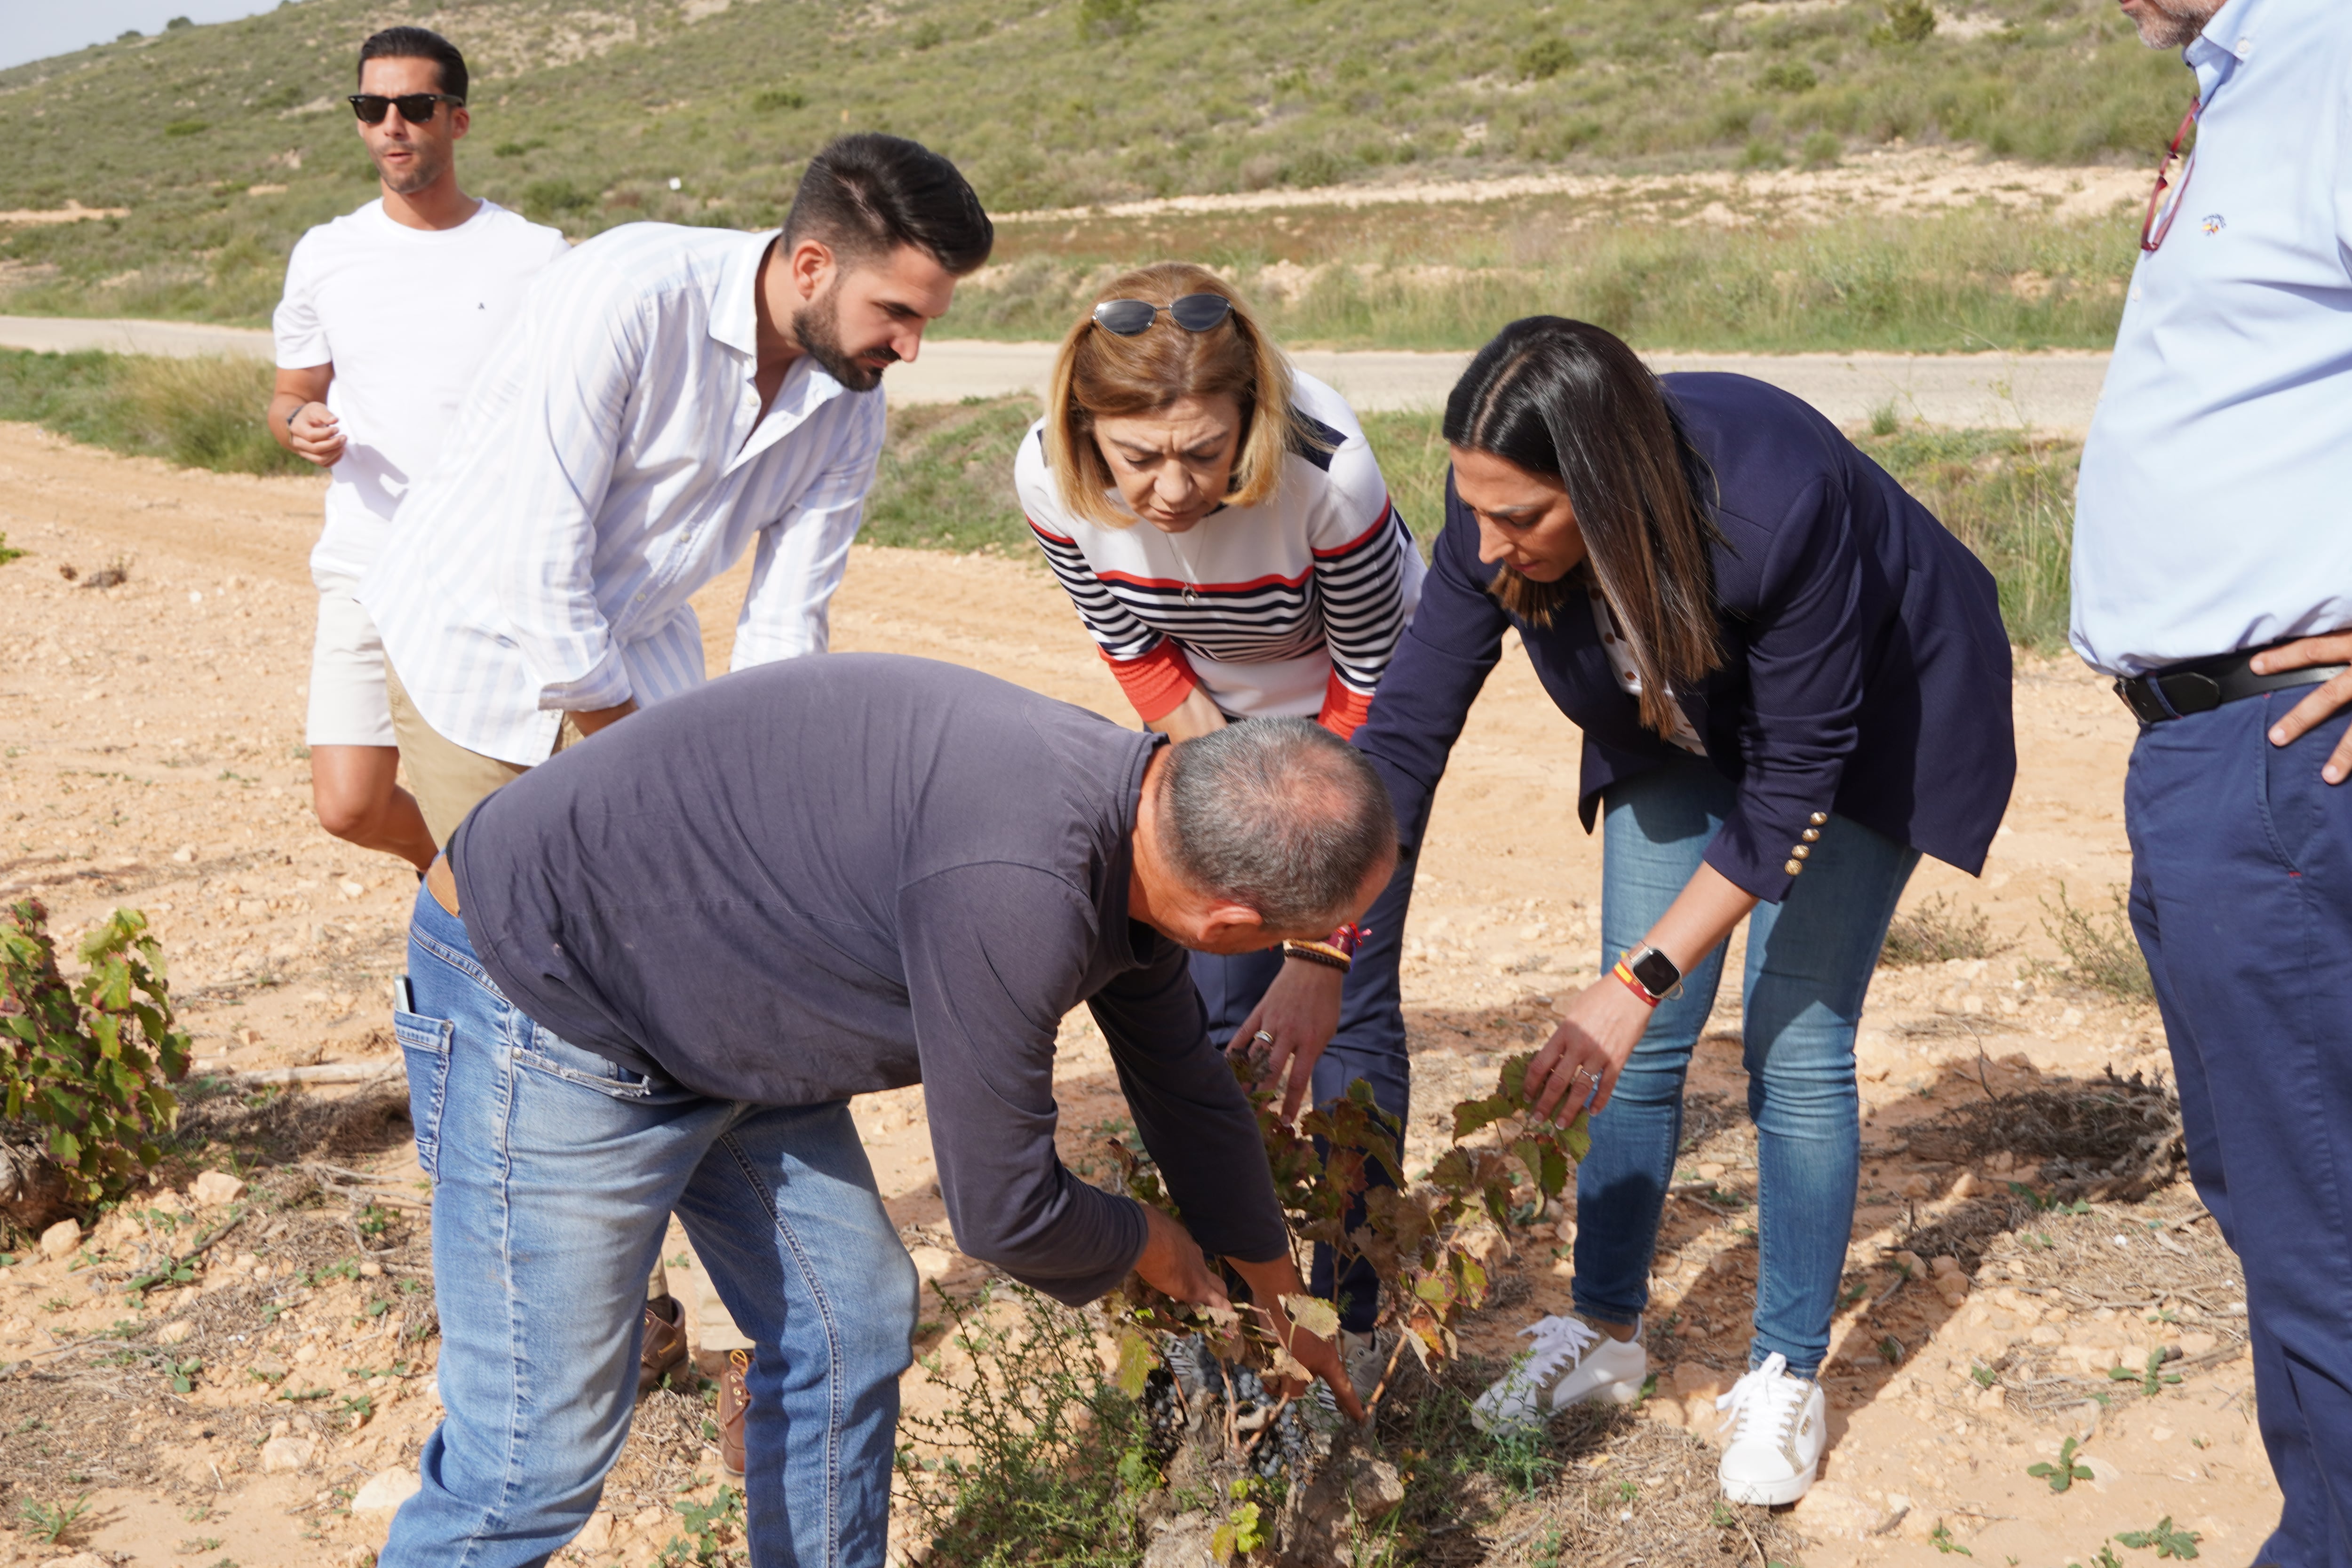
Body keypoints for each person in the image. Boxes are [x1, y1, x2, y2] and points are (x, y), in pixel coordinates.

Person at [380, 653, 1383, 1568]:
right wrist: (1152, 1241)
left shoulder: (1147, 815)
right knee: (532, 1462)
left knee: (848, 1323)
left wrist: (1276, 1293)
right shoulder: (1016, 886)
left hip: (718, 993)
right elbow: (1005, 1212)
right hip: (555, 997)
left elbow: (1182, 1080)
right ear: (1231, 925)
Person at [356, 130, 993, 1437]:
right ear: (812, 263)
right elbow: (536, 565)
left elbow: (786, 626)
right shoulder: (626, 293)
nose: (909, 347)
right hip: (473, 638)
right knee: (505, 929)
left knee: (679, 941)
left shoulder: (849, 397)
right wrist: (654, 778)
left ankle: (668, 1233)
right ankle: (505, 1229)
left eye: (927, 321)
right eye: (896, 313)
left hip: (635, 651)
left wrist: (767, 795)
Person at [1342, 318, 2014, 1505]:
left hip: (1865, 729)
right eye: (1474, 507)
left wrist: (1632, 981)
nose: (1489, 544)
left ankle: (1786, 1368)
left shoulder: (1775, 499)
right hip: (1682, 706)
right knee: (1630, 1046)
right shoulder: (1493, 520)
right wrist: (1318, 933)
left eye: (1523, 519)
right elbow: (1404, 735)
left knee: (1793, 1039)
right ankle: (1604, 1333)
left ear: (1605, 488)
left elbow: (1796, 782)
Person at [1016, 262, 1424, 1387]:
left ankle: (1356, 1305)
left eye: (1204, 450)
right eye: (1138, 455)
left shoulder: (1328, 473)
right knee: (1200, 999)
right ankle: (1240, 1299)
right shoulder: (1048, 477)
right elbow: (1135, 650)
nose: (1171, 488)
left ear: (1252, 415)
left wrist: (1316, 940)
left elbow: (1370, 691)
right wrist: (1216, 808)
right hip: (1202, 709)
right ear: (1085, 428)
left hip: (1347, 709)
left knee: (1342, 1010)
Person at [2072, 2, 2352, 1560]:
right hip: (2210, 749)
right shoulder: (2247, 83)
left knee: (2323, 1225)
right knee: (2281, 1196)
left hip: (2285, 748)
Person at [269, 26, 569, 872]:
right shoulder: (327, 253)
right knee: (349, 803)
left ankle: (494, 921)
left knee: (505, 788)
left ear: (458, 121)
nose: (392, 125)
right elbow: (292, 394)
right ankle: (477, 887)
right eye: (372, 107)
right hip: (367, 561)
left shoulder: (535, 256)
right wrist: (300, 427)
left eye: (414, 106)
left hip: (487, 572)